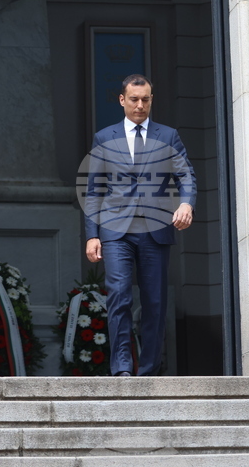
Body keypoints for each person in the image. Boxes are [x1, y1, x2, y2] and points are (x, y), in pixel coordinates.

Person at [83, 74, 196, 376]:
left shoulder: (168, 136)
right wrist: (92, 235)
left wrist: (186, 203)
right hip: (115, 231)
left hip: (155, 231)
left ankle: (148, 369)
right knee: (119, 295)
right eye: (134, 99)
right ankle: (122, 369)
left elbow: (186, 175)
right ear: (122, 100)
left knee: (154, 302)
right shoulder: (104, 138)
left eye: (145, 99)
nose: (140, 105)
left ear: (151, 100)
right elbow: (94, 190)